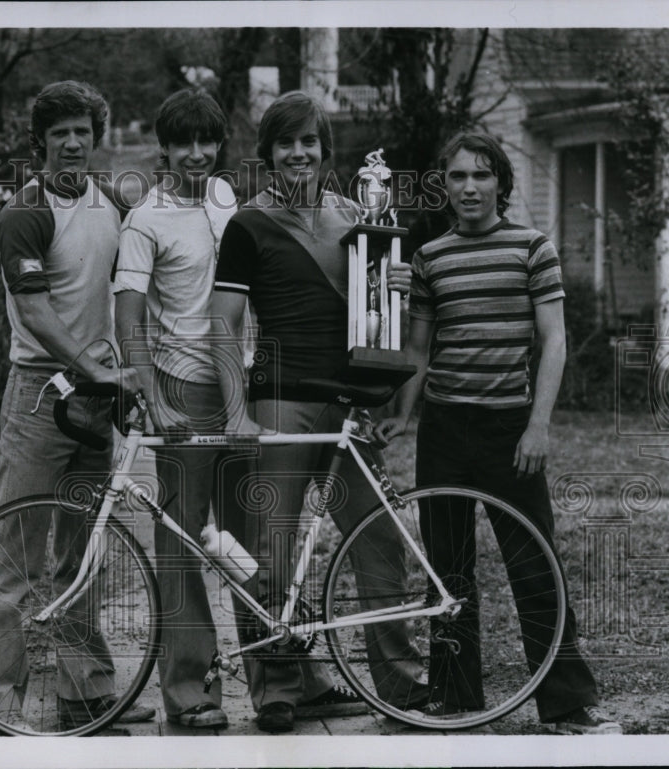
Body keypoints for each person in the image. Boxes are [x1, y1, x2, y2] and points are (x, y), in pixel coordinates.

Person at [374, 131, 622, 735]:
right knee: (448, 572)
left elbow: (554, 340)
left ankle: (566, 703)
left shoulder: (532, 248)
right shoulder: (431, 256)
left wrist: (538, 426)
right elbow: (421, 347)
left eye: (481, 176)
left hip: (510, 428)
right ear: (446, 185)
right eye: (457, 177)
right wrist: (404, 414)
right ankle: (456, 698)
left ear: (500, 184)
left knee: (534, 565)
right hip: (444, 429)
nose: (469, 188)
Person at [211, 91, 430, 734]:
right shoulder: (247, 224)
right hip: (278, 398)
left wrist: (396, 284)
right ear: (269, 153)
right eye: (285, 143)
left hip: (348, 406)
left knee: (380, 538)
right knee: (268, 551)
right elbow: (223, 325)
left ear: (325, 150)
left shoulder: (358, 216)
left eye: (309, 142)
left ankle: (399, 683)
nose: (298, 153)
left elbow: (379, 318)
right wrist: (233, 412)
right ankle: (278, 690)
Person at [0, 80, 155, 734]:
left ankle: (88, 693)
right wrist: (97, 370)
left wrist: (118, 378)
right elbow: (35, 311)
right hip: (39, 395)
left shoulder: (110, 202)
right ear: (40, 144)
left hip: (94, 396)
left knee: (85, 554)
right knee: (18, 556)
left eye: (83, 131)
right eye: (60, 134)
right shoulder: (24, 213)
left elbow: (126, 292)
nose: (73, 143)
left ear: (95, 136)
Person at [113, 88, 240, 730]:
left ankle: (283, 680)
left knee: (249, 539)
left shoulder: (227, 200)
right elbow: (128, 316)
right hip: (183, 391)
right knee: (183, 543)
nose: (196, 153)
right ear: (164, 147)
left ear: (220, 144)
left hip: (239, 388)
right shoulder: (147, 219)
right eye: (183, 142)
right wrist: (153, 397)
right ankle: (192, 693)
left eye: (207, 141)